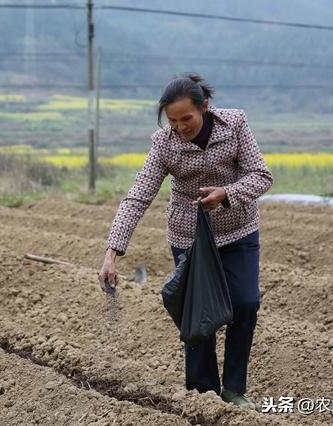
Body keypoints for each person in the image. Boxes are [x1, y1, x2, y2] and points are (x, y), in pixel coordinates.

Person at [98, 74, 273, 409]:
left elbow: (261, 175)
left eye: (186, 119)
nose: (180, 127)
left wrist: (227, 193)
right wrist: (112, 253)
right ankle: (203, 394)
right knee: (199, 314)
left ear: (204, 108)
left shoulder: (234, 125)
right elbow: (137, 197)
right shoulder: (164, 144)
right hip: (189, 238)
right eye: (173, 121)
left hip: (238, 230)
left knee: (246, 303)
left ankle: (235, 390)